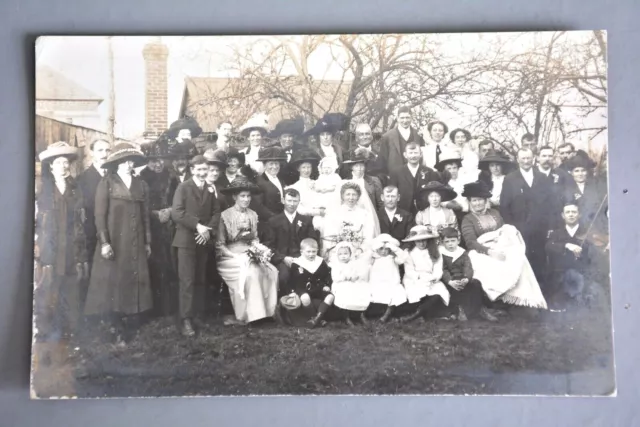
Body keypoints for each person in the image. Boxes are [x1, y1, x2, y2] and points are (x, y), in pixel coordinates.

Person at [84, 143, 153, 347]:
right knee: (113, 282)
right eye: (123, 161)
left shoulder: (142, 185)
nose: (127, 164)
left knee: (133, 278)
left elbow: (146, 216)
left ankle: (130, 319)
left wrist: (147, 241)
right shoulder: (107, 183)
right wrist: (105, 242)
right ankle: (116, 326)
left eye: (130, 160)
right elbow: (99, 216)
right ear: (116, 164)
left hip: (136, 240)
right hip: (115, 240)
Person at [460, 181, 547, 309]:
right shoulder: (467, 219)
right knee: (488, 263)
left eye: (480, 200)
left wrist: (503, 245)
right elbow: (471, 242)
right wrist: (489, 251)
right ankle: (497, 299)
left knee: (519, 259)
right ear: (470, 202)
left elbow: (504, 231)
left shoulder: (495, 213)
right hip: (480, 250)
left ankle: (520, 298)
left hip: (501, 245)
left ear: (485, 201)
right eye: (474, 200)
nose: (477, 203)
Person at [35, 142, 88, 342]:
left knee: (71, 288)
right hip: (51, 248)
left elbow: (82, 222)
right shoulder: (43, 190)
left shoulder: (76, 188)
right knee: (48, 288)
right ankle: (47, 330)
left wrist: (81, 252)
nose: (64, 167)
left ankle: (71, 331)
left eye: (66, 163)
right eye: (59, 163)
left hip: (72, 247)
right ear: (51, 166)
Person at [216, 177, 279, 324]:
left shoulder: (252, 214)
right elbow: (220, 245)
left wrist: (258, 250)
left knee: (271, 270)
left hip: (249, 252)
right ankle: (251, 315)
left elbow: (255, 238)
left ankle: (268, 312)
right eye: (242, 196)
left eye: (248, 196)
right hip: (229, 256)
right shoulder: (225, 216)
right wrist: (235, 256)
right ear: (234, 197)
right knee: (251, 273)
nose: (246, 199)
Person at [500, 147, 555, 281]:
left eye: (528, 158)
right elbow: (504, 206)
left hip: (540, 228)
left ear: (533, 159)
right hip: (520, 229)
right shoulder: (510, 179)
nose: (526, 161)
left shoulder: (542, 177)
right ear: (518, 160)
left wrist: (550, 226)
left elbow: (551, 204)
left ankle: (542, 292)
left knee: (540, 261)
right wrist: (511, 228)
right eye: (523, 158)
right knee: (523, 261)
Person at [140, 139, 179, 317]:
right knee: (155, 265)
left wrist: (170, 211)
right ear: (147, 161)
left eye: (160, 159)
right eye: (153, 160)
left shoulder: (171, 175)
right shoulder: (141, 177)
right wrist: (155, 214)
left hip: (170, 225)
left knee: (171, 264)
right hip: (151, 227)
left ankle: (170, 307)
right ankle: (155, 309)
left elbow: (178, 198)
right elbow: (141, 205)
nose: (158, 164)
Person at [263, 188, 318, 296]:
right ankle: (285, 307)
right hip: (283, 259)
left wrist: (304, 257)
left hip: (303, 258)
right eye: (289, 201)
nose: (292, 204)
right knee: (284, 277)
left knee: (307, 276)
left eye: (295, 201)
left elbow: (312, 241)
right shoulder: (273, 221)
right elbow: (269, 245)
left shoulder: (306, 220)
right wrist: (283, 258)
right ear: (283, 200)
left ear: (299, 201)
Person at [439, 227, 496, 321]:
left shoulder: (462, 252)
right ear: (442, 242)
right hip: (450, 280)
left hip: (462, 277)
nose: (450, 244)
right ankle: (460, 310)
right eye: (447, 241)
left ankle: (481, 309)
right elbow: (443, 270)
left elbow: (468, 267)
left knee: (476, 283)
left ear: (458, 240)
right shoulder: (442, 253)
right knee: (457, 287)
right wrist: (449, 281)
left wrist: (466, 278)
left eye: (453, 241)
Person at [545, 201, 593, 308]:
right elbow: (548, 246)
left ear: (579, 214)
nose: (571, 214)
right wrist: (566, 245)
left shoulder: (587, 232)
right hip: (561, 276)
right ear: (563, 215)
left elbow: (592, 255)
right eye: (568, 212)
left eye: (574, 212)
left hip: (582, 274)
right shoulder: (556, 233)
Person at [281, 238, 334, 328]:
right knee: (305, 298)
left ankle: (317, 319)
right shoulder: (297, 263)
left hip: (318, 287)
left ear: (317, 251)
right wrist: (292, 291)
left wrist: (326, 285)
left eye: (314, 251)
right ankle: (317, 319)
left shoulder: (320, 262)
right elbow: (291, 280)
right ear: (302, 252)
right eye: (308, 252)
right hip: (302, 288)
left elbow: (327, 276)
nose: (311, 254)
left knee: (330, 296)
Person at [400, 226, 450, 322]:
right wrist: (419, 278)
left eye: (424, 240)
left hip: (431, 278)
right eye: (418, 241)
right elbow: (409, 270)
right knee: (417, 294)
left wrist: (434, 278)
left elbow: (438, 268)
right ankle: (421, 313)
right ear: (414, 241)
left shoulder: (435, 251)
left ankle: (417, 314)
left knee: (438, 295)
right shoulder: (410, 253)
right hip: (415, 279)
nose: (421, 243)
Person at [77, 138, 111, 274]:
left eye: (107, 150)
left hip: (113, 233)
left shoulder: (115, 177)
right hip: (92, 236)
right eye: (100, 150)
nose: (104, 154)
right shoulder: (82, 179)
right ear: (92, 153)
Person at [321, 182, 377, 258]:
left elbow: (369, 235)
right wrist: (339, 250)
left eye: (354, 194)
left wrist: (361, 249)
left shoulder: (365, 214)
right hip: (339, 253)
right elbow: (329, 234)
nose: (351, 198)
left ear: (358, 197)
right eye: (348, 194)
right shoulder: (334, 213)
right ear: (342, 196)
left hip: (359, 252)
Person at [388, 142, 442, 214]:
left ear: (421, 154)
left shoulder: (429, 172)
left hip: (425, 211)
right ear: (405, 155)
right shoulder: (396, 173)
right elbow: (392, 194)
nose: (413, 156)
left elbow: (434, 192)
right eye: (410, 153)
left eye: (416, 153)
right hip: (403, 211)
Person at [562, 153, 608, 236]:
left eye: (583, 170)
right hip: (578, 231)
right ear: (571, 173)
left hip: (598, 229)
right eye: (576, 171)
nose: (580, 174)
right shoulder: (566, 190)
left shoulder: (597, 186)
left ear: (587, 172)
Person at [342, 150, 383, 235]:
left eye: (362, 166)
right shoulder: (345, 182)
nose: (359, 169)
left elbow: (380, 203)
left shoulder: (374, 181)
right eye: (356, 166)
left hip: (369, 217)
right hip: (350, 218)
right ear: (351, 167)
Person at [368, 234, 408, 322]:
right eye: (381, 249)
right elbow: (366, 258)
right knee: (371, 294)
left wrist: (394, 248)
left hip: (391, 283)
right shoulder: (374, 258)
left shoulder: (393, 258)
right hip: (377, 283)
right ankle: (365, 314)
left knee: (395, 294)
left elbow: (403, 258)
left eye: (386, 249)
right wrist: (374, 248)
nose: (383, 252)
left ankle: (387, 314)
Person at [330, 241, 371, 326]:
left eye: (346, 253)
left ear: (350, 254)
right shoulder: (336, 265)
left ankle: (361, 314)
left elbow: (355, 273)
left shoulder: (352, 263)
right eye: (340, 254)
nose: (343, 256)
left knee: (362, 289)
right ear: (337, 255)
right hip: (340, 283)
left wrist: (354, 277)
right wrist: (345, 277)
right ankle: (346, 317)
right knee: (346, 292)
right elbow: (335, 278)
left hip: (352, 282)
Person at [379, 106, 425, 174]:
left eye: (407, 117)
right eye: (402, 118)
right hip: (395, 177)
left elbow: (422, 157)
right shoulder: (387, 136)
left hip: (415, 176)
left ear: (411, 118)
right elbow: (382, 160)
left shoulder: (418, 135)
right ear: (397, 118)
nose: (405, 121)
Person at [537, 145, 574, 226]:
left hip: (556, 221)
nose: (547, 159)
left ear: (553, 158)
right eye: (544, 156)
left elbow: (568, 197)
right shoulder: (531, 174)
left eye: (550, 156)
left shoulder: (561, 174)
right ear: (538, 158)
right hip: (536, 221)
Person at [285, 149, 324, 219]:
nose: (306, 170)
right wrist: (317, 212)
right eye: (303, 167)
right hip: (304, 220)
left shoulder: (317, 183)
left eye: (309, 167)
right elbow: (298, 209)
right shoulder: (294, 187)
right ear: (298, 169)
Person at [434, 150, 470, 220]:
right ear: (444, 170)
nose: (452, 171)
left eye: (454, 168)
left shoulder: (464, 180)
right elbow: (442, 201)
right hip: (452, 214)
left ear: (458, 168)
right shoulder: (443, 184)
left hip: (468, 213)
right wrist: (452, 205)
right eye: (449, 169)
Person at [255, 146, 288, 219]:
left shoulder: (281, 179)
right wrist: (274, 218)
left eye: (276, 163)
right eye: (271, 164)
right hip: (268, 221)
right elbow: (259, 206)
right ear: (264, 165)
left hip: (283, 219)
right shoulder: (258, 182)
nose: (275, 166)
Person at [313, 156, 343, 230]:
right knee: (321, 213)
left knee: (332, 214)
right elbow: (317, 186)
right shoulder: (321, 177)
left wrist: (326, 190)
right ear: (321, 169)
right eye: (324, 168)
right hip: (322, 197)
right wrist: (317, 189)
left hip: (332, 197)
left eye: (328, 168)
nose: (326, 170)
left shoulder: (335, 177)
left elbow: (336, 187)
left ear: (332, 168)